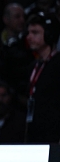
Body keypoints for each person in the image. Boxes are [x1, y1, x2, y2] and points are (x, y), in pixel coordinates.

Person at [24, 12, 60, 143]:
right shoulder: (33, 66)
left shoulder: (57, 64)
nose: (29, 37)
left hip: (54, 135)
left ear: (49, 34)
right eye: (28, 33)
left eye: (35, 32)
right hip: (35, 132)